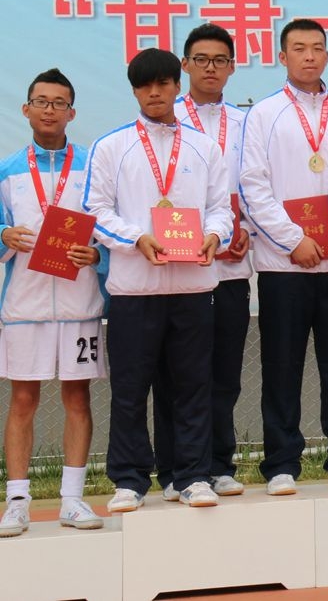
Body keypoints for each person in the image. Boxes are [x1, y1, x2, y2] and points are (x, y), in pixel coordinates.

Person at [84, 48, 233, 512]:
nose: (154, 92)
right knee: (131, 390)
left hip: (193, 288)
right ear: (134, 91)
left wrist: (214, 235)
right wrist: (136, 239)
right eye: (144, 85)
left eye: (162, 83)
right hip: (135, 290)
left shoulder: (204, 147)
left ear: (176, 85)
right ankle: (129, 480)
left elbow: (221, 208)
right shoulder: (111, 146)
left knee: (192, 387)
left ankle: (190, 476)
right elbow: (95, 211)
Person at [239, 19, 328, 495]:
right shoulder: (263, 114)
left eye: (317, 48)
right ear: (282, 56)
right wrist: (294, 239)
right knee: (282, 366)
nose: (309, 56)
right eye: (299, 48)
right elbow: (252, 186)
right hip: (284, 266)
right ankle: (280, 463)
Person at [0, 69, 105, 535]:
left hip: (81, 303)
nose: (49, 110)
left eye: (59, 103)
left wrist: (97, 254)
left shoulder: (92, 166)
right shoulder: (7, 170)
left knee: (77, 396)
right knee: (23, 398)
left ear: (72, 112)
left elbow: (108, 226)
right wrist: (3, 234)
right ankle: (17, 501)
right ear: (26, 109)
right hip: (25, 306)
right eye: (41, 101)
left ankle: (73, 499)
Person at [153, 23, 252, 501]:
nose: (211, 67)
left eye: (220, 60)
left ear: (232, 67)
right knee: (176, 374)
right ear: (185, 66)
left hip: (230, 267)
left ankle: (218, 464)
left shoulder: (246, 122)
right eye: (201, 59)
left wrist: (248, 231)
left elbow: (256, 185)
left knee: (224, 373)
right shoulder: (165, 120)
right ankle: (174, 469)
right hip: (179, 270)